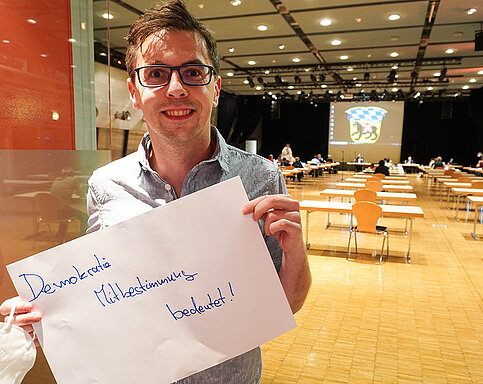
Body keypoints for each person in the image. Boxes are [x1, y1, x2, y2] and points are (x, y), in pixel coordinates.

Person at [0, 1, 311, 382]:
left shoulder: (260, 177)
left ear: (214, 89)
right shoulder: (105, 185)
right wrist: (47, 316)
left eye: (193, 72)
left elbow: (286, 303)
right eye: (157, 74)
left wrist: (296, 253)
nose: (176, 88)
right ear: (133, 92)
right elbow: (104, 297)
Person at [49, 167, 89, 236]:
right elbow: (81, 193)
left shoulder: (56, 181)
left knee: (65, 210)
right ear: (72, 174)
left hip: (52, 212)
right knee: (84, 217)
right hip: (63, 211)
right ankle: (82, 236)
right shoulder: (73, 180)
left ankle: (60, 234)